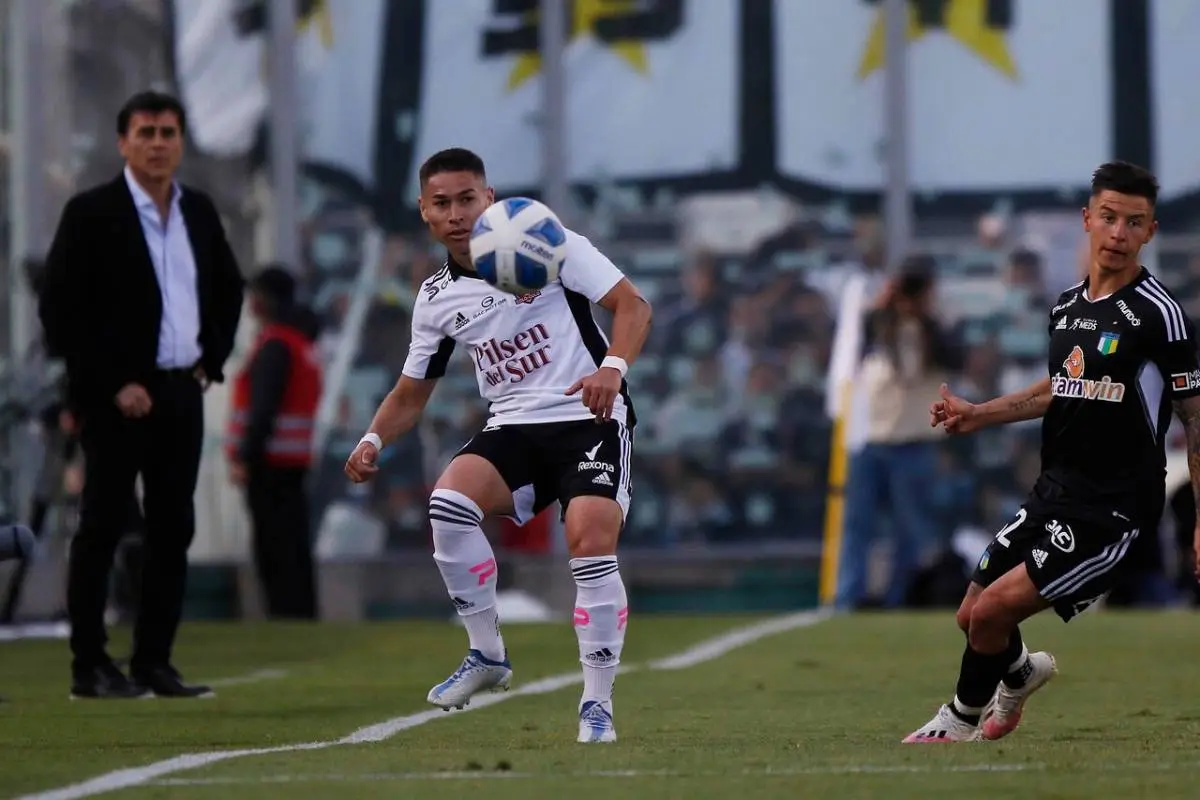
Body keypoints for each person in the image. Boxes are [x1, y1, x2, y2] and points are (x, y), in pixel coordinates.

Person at [344, 147, 652, 743]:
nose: (457, 213)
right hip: (512, 425)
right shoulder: (436, 297)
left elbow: (633, 305)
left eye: (467, 198)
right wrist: (372, 436)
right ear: (424, 213)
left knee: (589, 540)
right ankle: (486, 654)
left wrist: (612, 367)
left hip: (588, 415)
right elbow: (412, 392)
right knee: (448, 502)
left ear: (489, 198)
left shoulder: (550, 242)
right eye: (443, 203)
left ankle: (596, 704)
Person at [904, 161, 1200, 743]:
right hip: (1054, 494)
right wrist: (978, 413)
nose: (1118, 233)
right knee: (971, 616)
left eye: (1133, 223)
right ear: (1088, 219)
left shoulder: (1161, 316)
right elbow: (1058, 389)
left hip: (1111, 511)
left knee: (991, 615)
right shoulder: (1067, 306)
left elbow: (1196, 419)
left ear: (1150, 233)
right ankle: (1020, 673)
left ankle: (959, 721)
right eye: (1109, 218)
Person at [38, 90, 245, 699]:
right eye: (146, 132)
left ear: (181, 142)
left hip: (181, 389)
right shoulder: (91, 213)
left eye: (168, 133)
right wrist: (110, 383)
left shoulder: (199, 212)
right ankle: (89, 664)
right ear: (122, 142)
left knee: (172, 527)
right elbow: (60, 309)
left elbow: (229, 289)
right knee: (101, 525)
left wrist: (212, 359)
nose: (158, 144)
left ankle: (154, 660)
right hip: (115, 396)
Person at [226, 266, 322, 619]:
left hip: (270, 463)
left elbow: (262, 409)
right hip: (293, 461)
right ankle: (300, 613)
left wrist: (244, 456)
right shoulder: (301, 344)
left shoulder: (276, 345)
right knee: (293, 543)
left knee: (274, 546)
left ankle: (284, 614)